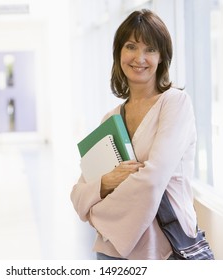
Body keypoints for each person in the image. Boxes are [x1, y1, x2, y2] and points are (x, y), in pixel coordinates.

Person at [70, 9, 198, 260]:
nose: (140, 57)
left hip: (164, 246)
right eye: (131, 46)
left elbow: (152, 181)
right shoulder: (111, 119)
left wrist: (96, 213)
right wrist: (107, 182)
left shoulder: (174, 104)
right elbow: (78, 192)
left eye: (150, 49)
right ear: (119, 53)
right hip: (111, 253)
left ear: (162, 57)